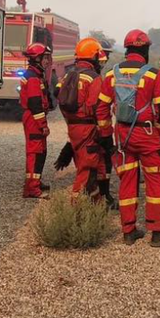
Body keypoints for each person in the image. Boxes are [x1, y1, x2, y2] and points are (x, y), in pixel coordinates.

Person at [95, 29, 160, 247]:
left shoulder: (112, 74)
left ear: (127, 49)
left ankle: (128, 231)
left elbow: (102, 107)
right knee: (155, 181)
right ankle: (159, 232)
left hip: (123, 135)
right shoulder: (153, 75)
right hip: (148, 134)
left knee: (127, 180)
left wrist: (106, 134)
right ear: (145, 49)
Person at [58, 37, 115, 206]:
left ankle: (97, 203)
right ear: (94, 57)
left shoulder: (69, 75)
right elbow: (99, 108)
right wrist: (106, 135)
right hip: (89, 129)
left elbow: (60, 100)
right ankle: (77, 211)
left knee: (93, 166)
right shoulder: (94, 78)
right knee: (87, 169)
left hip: (74, 128)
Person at [19, 42, 53, 198]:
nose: (47, 61)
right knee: (35, 152)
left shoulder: (36, 75)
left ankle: (36, 182)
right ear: (36, 59)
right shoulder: (33, 78)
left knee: (41, 152)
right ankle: (32, 189)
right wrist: (43, 125)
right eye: (44, 58)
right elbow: (35, 104)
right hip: (34, 119)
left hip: (35, 118)